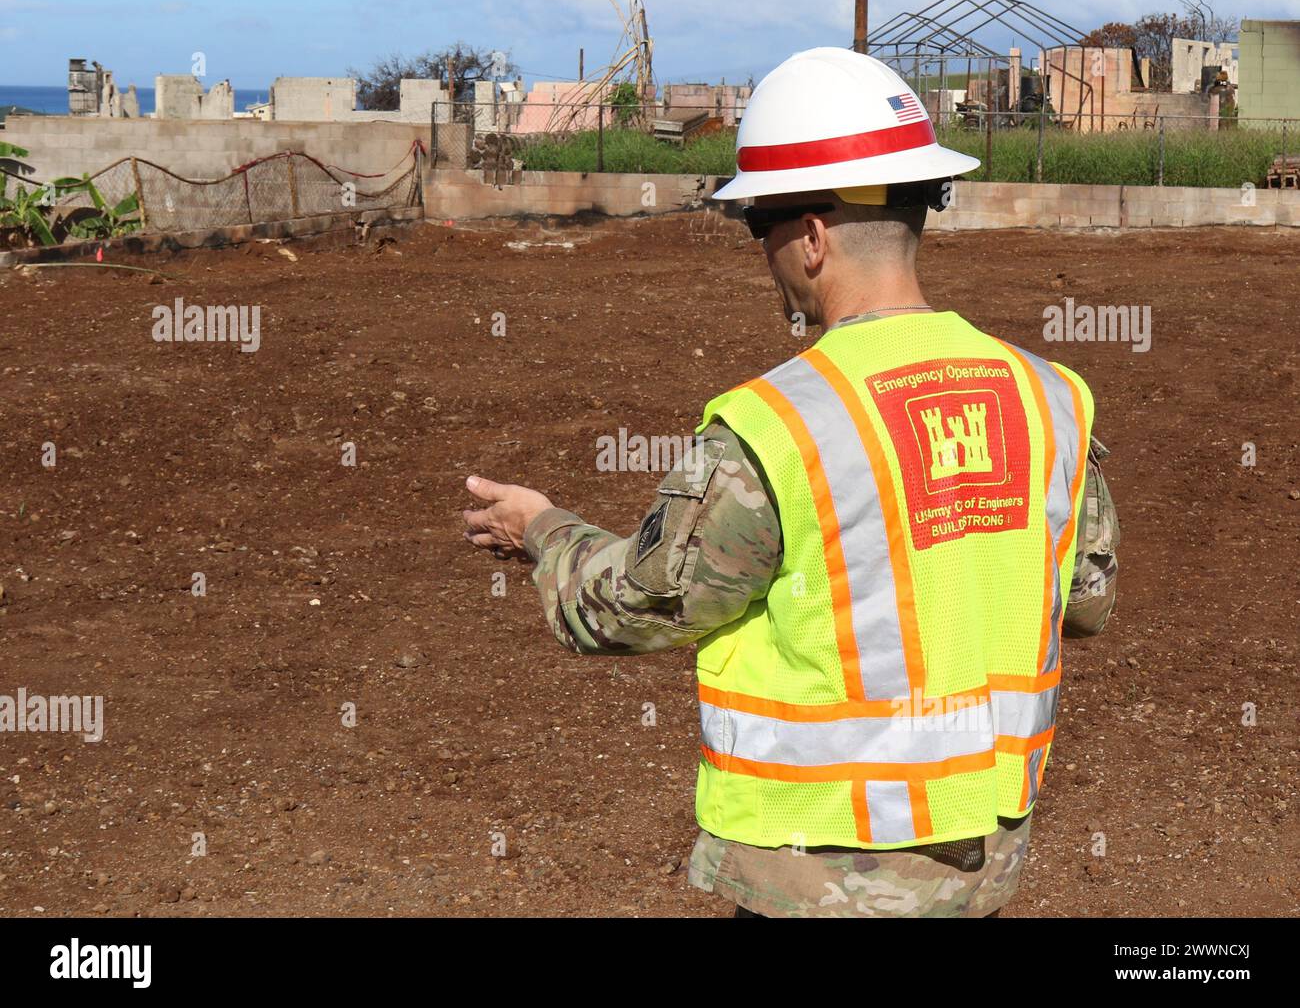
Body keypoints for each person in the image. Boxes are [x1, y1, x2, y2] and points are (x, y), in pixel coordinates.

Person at [462, 47, 1119, 918]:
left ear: (811, 236)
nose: (761, 251)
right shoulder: (1051, 400)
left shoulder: (777, 425)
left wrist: (542, 530)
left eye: (756, 226)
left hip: (826, 880)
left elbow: (634, 605)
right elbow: (1087, 598)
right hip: (982, 867)